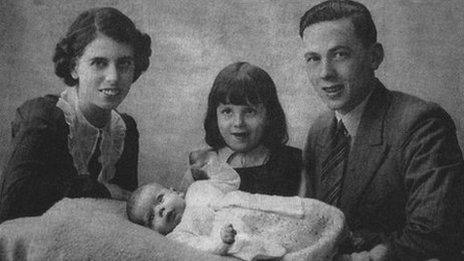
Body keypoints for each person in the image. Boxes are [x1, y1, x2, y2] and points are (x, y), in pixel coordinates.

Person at [299, 0, 464, 260]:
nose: (325, 73)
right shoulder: (319, 130)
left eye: (340, 54)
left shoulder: (422, 124)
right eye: (313, 59)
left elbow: (435, 235)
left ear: (374, 56)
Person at [0, 7, 152, 223]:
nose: (113, 77)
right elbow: (12, 202)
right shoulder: (43, 117)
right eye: (99, 63)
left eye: (124, 63)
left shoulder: (125, 130)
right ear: (74, 68)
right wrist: (101, 190)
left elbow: (125, 210)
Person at [127, 151, 344, 261]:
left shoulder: (197, 189)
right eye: (152, 217)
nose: (162, 210)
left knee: (306, 217)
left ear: (174, 191)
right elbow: (202, 248)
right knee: (292, 248)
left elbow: (230, 181)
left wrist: (210, 163)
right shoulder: (179, 236)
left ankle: (341, 236)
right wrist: (221, 241)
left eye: (160, 199)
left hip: (260, 208)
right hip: (248, 234)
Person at [180, 61, 302, 196]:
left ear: (269, 115)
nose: (238, 122)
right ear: (215, 115)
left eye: (250, 111)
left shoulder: (292, 162)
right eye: (227, 111)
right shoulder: (201, 165)